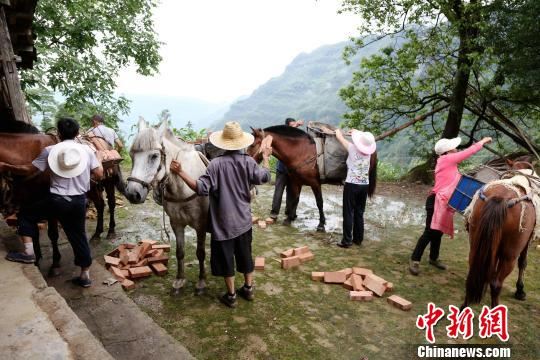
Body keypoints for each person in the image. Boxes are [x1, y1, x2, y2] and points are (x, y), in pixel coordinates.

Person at [170, 121, 272, 308]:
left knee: (226, 259)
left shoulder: (215, 165)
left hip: (223, 224)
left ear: (222, 144)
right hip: (243, 221)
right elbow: (264, 177)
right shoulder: (248, 162)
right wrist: (266, 157)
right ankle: (248, 289)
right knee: (245, 255)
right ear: (242, 143)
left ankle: (231, 295)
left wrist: (180, 171)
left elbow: (200, 188)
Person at [2, 118, 103, 288]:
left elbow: (28, 169)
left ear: (58, 133)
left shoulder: (50, 150)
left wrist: (6, 166)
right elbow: (99, 174)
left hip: (56, 201)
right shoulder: (86, 150)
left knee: (25, 215)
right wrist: (97, 158)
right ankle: (85, 275)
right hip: (79, 201)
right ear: (77, 133)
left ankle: (28, 252)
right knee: (79, 236)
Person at [409, 136, 492, 275]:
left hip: (443, 201)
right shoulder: (447, 159)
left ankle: (433, 258)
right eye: (454, 147)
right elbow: (468, 152)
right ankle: (415, 260)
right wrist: (482, 142)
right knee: (429, 232)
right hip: (435, 201)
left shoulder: (447, 162)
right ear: (448, 151)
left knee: (438, 232)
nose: (456, 148)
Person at [334, 129, 377, 248]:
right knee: (359, 212)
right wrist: (357, 131)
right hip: (364, 185)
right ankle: (358, 239)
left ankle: (347, 240)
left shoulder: (352, 148)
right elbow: (367, 140)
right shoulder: (370, 153)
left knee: (348, 212)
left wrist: (338, 131)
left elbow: (339, 137)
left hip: (352, 184)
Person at [270, 117, 303, 222]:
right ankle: (274, 213)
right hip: (282, 170)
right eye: (292, 125)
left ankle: (289, 213)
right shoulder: (283, 135)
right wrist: (296, 123)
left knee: (291, 192)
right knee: (278, 192)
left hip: (293, 171)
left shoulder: (296, 136)